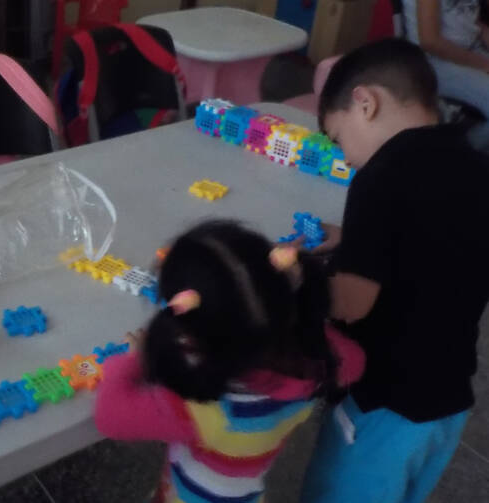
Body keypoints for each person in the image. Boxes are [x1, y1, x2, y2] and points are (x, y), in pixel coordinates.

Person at [299, 38, 489, 503]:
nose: (345, 156)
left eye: (339, 138)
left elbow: (352, 303)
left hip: (382, 405)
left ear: (365, 103)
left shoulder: (382, 174)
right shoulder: (471, 156)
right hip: (445, 406)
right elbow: (443, 239)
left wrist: (293, 278)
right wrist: (356, 239)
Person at [94, 221, 365, 503]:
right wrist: (298, 299)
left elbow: (110, 417)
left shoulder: (206, 406)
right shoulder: (316, 365)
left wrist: (133, 359)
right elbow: (354, 360)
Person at [402, 0, 489, 152]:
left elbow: (475, 25)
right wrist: (483, 64)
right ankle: (458, 154)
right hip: (433, 62)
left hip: (469, 49)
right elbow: (430, 42)